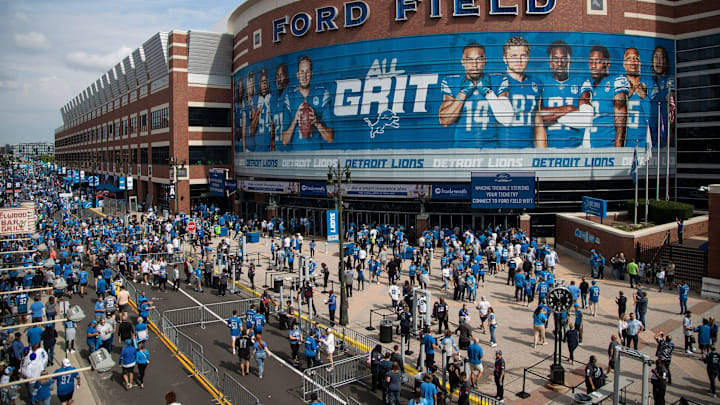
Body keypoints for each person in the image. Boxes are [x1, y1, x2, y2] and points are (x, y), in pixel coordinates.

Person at [438, 42, 513, 148]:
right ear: (462, 62)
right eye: (469, 59)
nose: (474, 64)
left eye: (479, 59)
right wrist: (462, 94)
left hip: (490, 149)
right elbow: (445, 121)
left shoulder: (497, 80)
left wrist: (488, 93)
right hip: (462, 151)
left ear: (485, 61)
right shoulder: (452, 81)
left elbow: (507, 119)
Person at [541, 40, 593, 148]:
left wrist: (551, 116)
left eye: (564, 59)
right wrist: (568, 108)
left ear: (570, 62)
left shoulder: (581, 82)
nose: (559, 63)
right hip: (547, 149)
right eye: (555, 59)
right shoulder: (541, 83)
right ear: (550, 63)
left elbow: (586, 117)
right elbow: (537, 115)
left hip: (575, 148)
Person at [281, 55, 334, 148]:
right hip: (297, 158)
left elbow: (330, 138)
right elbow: (284, 141)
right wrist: (295, 120)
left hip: (316, 156)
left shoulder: (321, 94)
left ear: (311, 74)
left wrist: (316, 122)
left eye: (307, 72)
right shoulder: (290, 97)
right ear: (297, 75)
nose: (304, 76)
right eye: (302, 72)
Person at [587, 44, 629, 147]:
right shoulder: (588, 87)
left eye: (598, 62)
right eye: (591, 62)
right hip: (589, 147)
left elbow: (621, 117)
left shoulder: (615, 82)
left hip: (608, 147)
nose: (593, 65)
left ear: (607, 63)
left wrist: (618, 147)